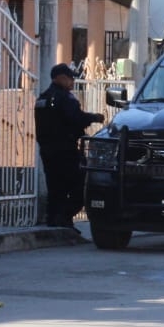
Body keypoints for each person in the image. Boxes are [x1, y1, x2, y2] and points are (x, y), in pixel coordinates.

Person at [35, 62, 104, 230]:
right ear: (60, 78)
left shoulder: (42, 98)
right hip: (65, 150)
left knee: (55, 187)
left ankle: (54, 221)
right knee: (79, 187)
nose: (72, 82)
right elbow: (76, 118)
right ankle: (64, 218)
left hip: (47, 150)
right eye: (69, 79)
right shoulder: (65, 97)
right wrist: (94, 117)